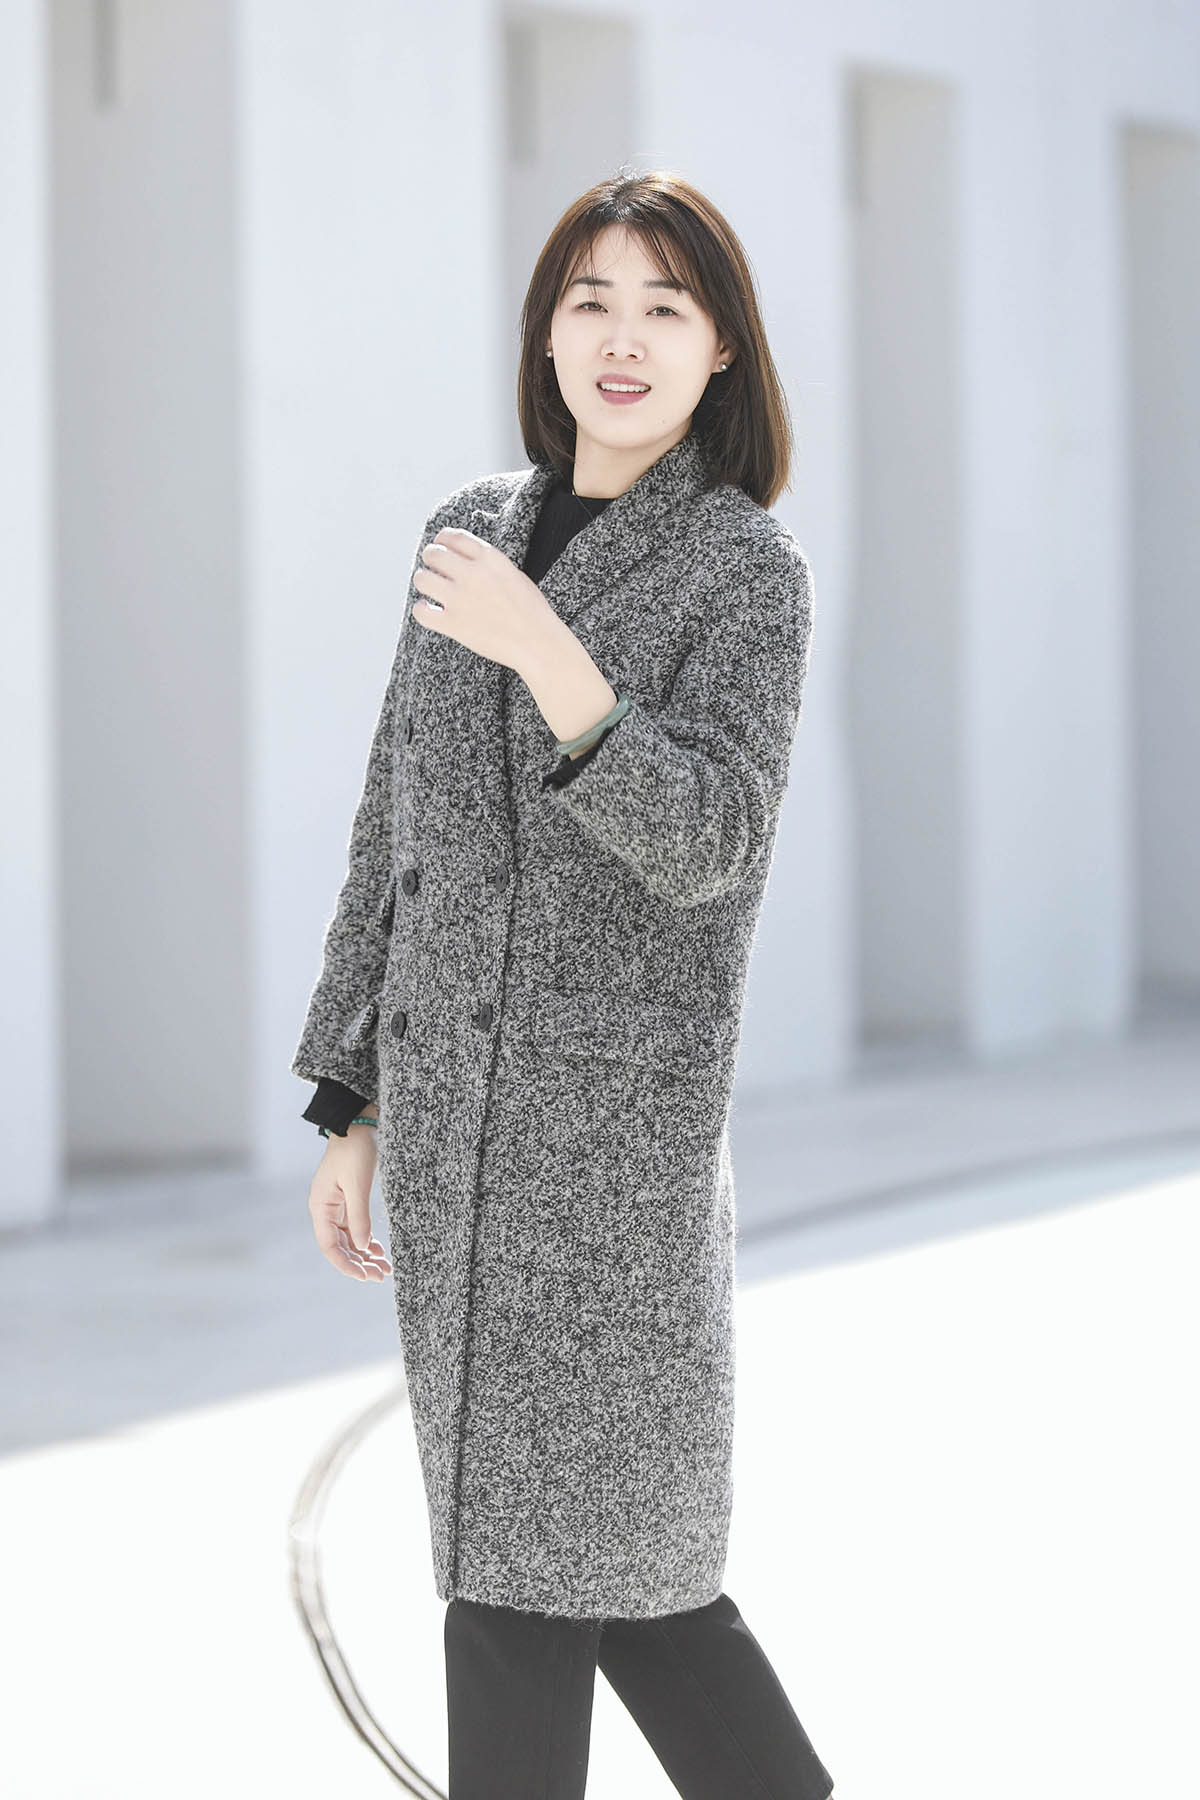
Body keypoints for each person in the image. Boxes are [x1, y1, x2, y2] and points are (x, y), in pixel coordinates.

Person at [292, 165, 834, 1799]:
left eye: (666, 306)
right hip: (456, 1138)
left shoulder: (746, 571)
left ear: (722, 349)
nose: (622, 337)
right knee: (601, 1590)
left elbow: (714, 840)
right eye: (591, 300)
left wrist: (554, 658)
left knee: (562, 1584)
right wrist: (353, 1097)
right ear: (545, 331)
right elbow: (395, 821)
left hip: (612, 1165)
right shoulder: (467, 532)